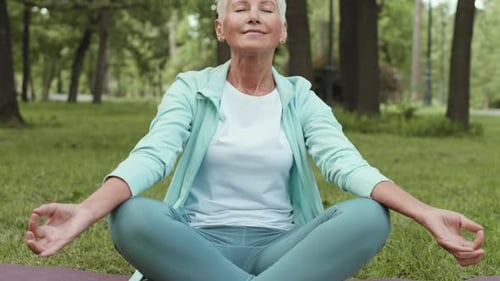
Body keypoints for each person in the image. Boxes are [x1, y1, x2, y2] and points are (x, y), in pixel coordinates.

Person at [26, 0, 485, 280]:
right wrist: (87, 211)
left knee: (369, 216)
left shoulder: (301, 97)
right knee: (130, 217)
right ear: (220, 27)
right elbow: (154, 154)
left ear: (282, 30)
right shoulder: (191, 88)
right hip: (196, 242)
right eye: (240, 7)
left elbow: (348, 165)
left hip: (282, 249)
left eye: (267, 8)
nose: (253, 15)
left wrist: (425, 213)